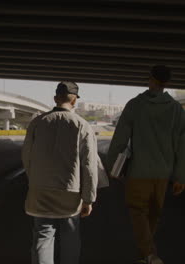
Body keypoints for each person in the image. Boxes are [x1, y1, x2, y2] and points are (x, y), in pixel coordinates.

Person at [107, 65, 185, 264]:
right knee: (154, 213)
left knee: (137, 210)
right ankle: (145, 255)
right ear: (167, 82)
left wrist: (112, 166)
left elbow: (120, 139)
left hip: (138, 171)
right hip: (163, 172)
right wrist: (180, 176)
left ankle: (149, 254)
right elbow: (182, 145)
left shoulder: (135, 104)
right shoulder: (177, 109)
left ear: (150, 79)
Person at [22, 81, 98, 264]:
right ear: (74, 101)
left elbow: (26, 157)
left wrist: (35, 182)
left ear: (55, 98)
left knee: (42, 236)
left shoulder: (37, 122)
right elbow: (89, 165)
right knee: (70, 237)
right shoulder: (82, 125)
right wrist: (88, 198)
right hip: (70, 193)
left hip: (40, 191)